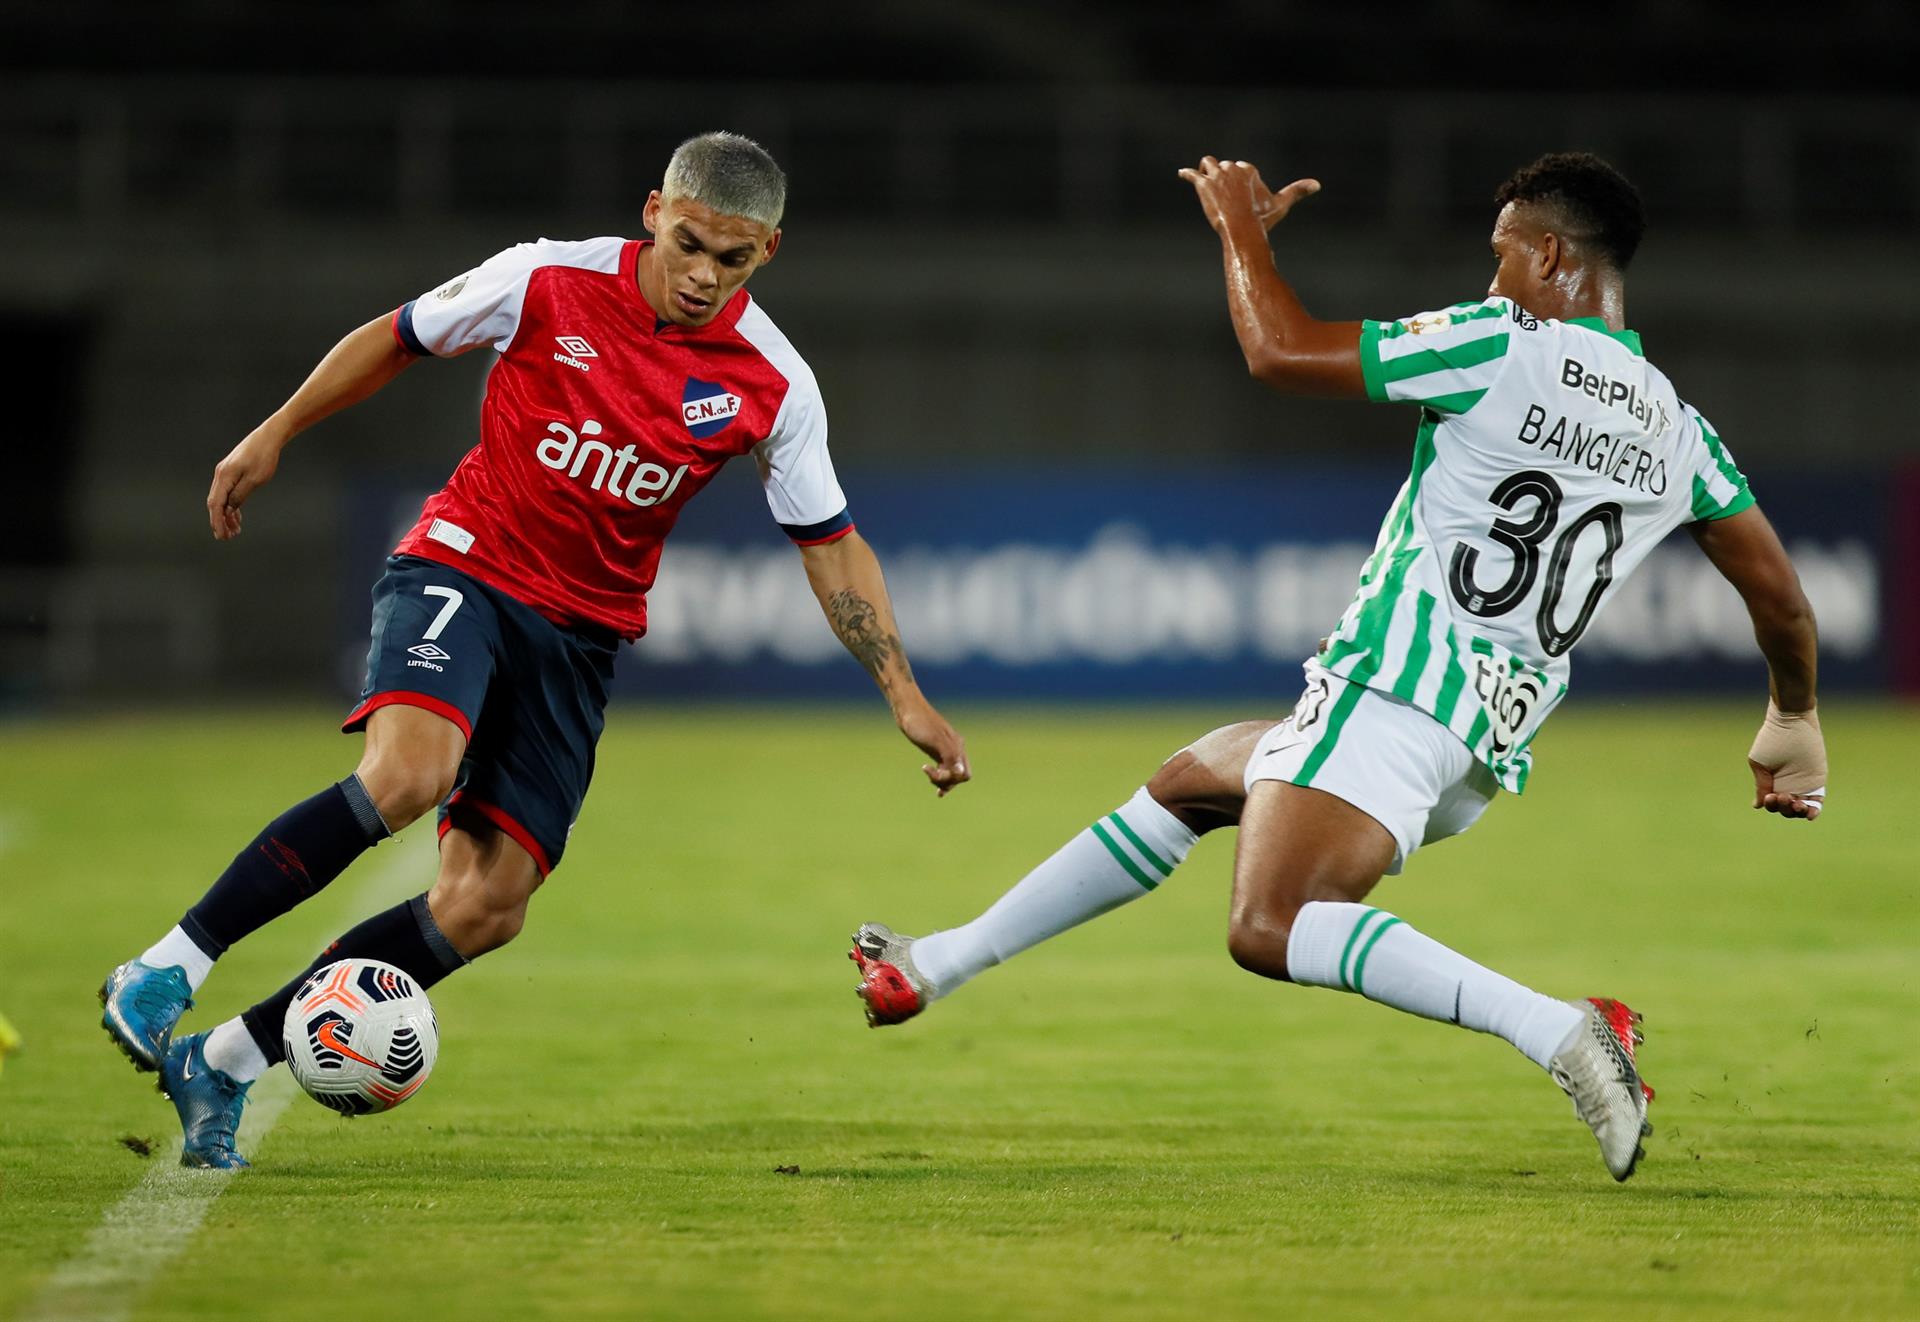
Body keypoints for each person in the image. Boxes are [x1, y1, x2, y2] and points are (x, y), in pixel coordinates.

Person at [848, 152, 1825, 1182]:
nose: (1491, 278)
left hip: (1396, 688)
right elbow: (1782, 598)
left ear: (1547, 252)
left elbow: (1278, 349)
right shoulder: (1680, 429)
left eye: (1501, 256)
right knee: (1194, 778)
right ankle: (932, 964)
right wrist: (1793, 717)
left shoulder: (1500, 343)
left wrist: (1239, 233)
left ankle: (1564, 1030)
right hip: (1485, 744)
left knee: (1268, 925)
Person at [102, 131, 970, 1169]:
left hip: (582, 633)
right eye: (688, 242)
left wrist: (901, 691)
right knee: (408, 775)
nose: (701, 275)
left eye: (730, 260)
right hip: (464, 564)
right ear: (654, 210)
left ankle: (229, 1061)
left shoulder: (775, 382)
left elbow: (831, 545)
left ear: (767, 252)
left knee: (488, 903)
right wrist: (276, 430)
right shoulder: (545, 277)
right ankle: (167, 963)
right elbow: (399, 334)